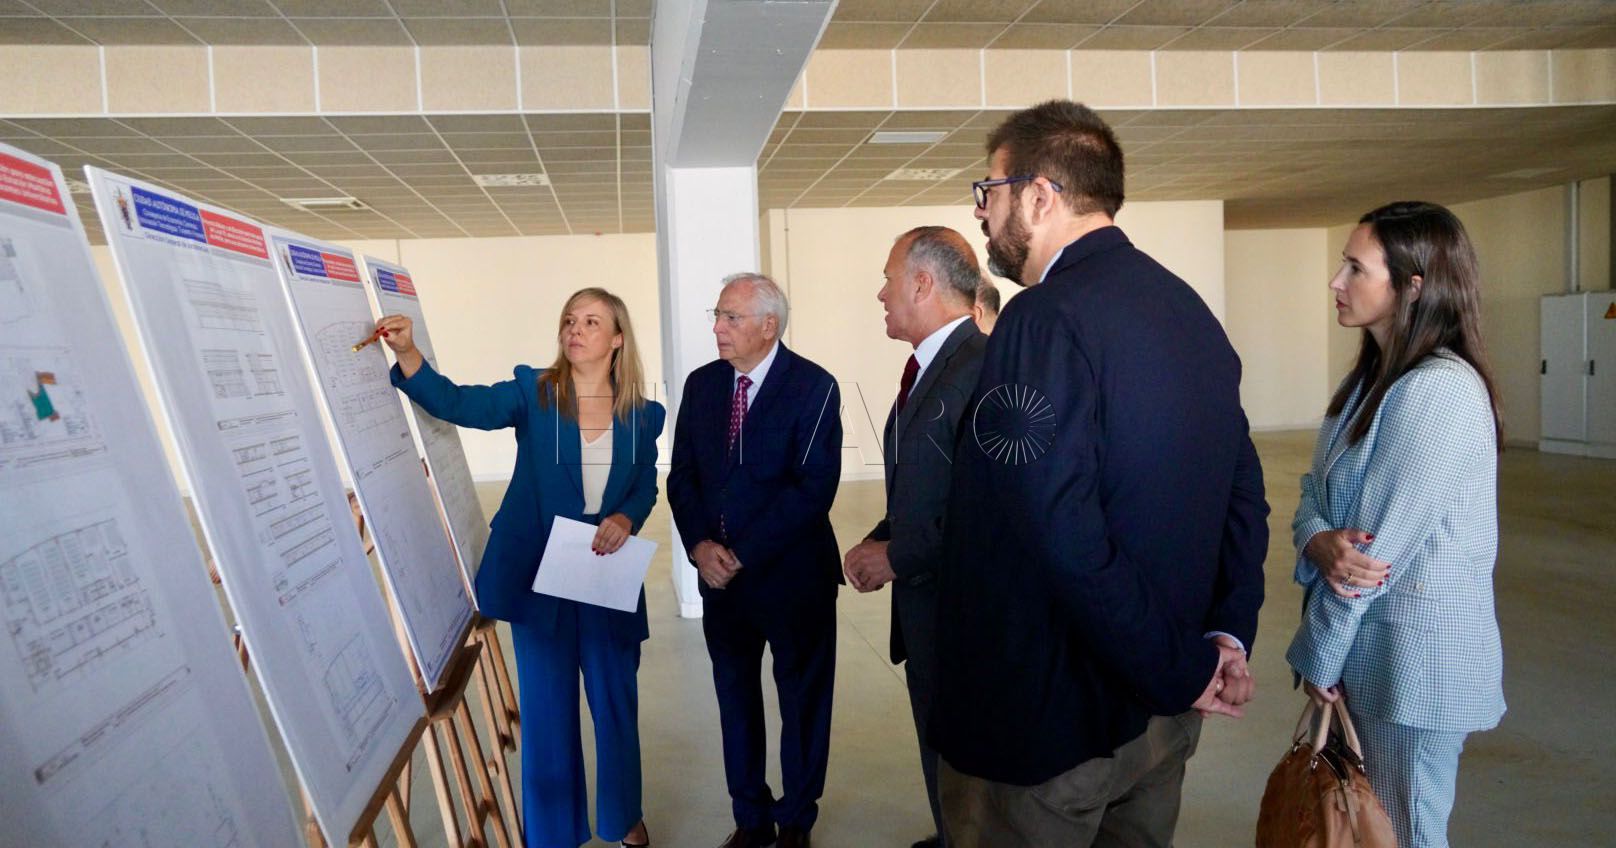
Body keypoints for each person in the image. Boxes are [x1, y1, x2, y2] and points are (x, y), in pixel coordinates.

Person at [929, 99, 1269, 847]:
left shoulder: (1041, 319)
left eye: (989, 191)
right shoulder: (1188, 310)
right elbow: (1242, 489)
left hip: (1054, 729)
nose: (982, 213)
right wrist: (1224, 636)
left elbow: (1057, 528)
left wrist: (1178, 667)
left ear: (1039, 195)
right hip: (1163, 718)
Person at [376, 288, 663, 848]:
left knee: (615, 705)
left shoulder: (643, 414)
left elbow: (646, 485)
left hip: (606, 574)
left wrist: (627, 517)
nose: (575, 329)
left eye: (591, 321)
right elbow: (461, 404)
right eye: (569, 319)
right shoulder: (535, 392)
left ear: (617, 338)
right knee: (547, 711)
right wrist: (409, 355)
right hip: (539, 577)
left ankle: (623, 816)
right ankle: (552, 835)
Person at [1286, 201, 1505, 848]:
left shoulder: (1438, 391)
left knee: (1405, 834)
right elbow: (1312, 496)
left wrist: (1321, 658)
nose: (1337, 281)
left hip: (1414, 671)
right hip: (1375, 663)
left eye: (1356, 268)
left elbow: (1369, 558)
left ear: (1413, 286)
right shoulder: (1372, 382)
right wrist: (1315, 538)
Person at [667, 273, 843, 848]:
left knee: (802, 702)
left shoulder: (814, 386)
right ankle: (750, 817)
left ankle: (795, 821)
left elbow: (812, 490)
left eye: (731, 317)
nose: (718, 328)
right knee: (735, 699)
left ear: (769, 326)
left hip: (793, 580)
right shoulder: (702, 385)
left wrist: (740, 553)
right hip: (721, 583)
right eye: (717, 316)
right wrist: (699, 546)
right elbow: (682, 476)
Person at [844, 226, 988, 848]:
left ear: (923, 283)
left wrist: (896, 556)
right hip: (928, 608)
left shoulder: (980, 368)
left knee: (968, 755)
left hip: (964, 614)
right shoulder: (934, 368)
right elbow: (926, 487)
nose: (881, 294)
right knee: (941, 746)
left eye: (888, 279)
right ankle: (952, 833)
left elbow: (988, 509)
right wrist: (880, 538)